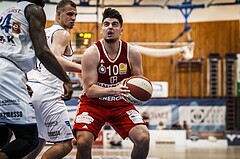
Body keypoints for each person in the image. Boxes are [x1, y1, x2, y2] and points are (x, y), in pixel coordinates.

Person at [73, 8, 150, 159]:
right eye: (106, 24)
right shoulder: (91, 53)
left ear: (121, 30)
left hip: (121, 105)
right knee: (83, 142)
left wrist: (141, 92)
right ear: (101, 29)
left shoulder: (132, 53)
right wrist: (115, 90)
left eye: (114, 24)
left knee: (143, 138)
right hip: (93, 104)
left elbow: (138, 82)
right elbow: (89, 90)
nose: (110, 27)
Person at [0, 0, 73, 158]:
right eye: (70, 14)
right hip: (18, 78)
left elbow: (11, 49)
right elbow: (43, 52)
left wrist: (23, 80)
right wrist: (66, 79)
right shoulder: (34, 10)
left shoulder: (7, 12)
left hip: (16, 76)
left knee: (4, 134)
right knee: (29, 139)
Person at [24, 0, 81, 159]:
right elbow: (56, 58)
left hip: (31, 90)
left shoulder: (42, 33)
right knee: (65, 144)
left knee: (39, 141)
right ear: (58, 14)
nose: (73, 18)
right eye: (69, 14)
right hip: (48, 92)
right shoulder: (62, 33)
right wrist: (84, 69)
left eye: (75, 15)